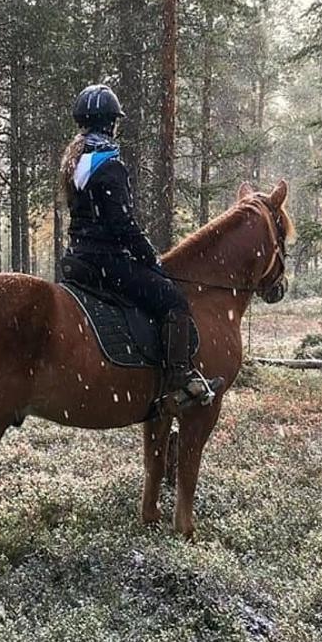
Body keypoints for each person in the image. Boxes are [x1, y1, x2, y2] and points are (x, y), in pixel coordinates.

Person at [59, 84, 224, 408]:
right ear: (110, 123)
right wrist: (151, 258)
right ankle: (181, 379)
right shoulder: (110, 164)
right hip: (107, 261)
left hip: (78, 259)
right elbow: (123, 226)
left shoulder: (76, 161)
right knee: (174, 300)